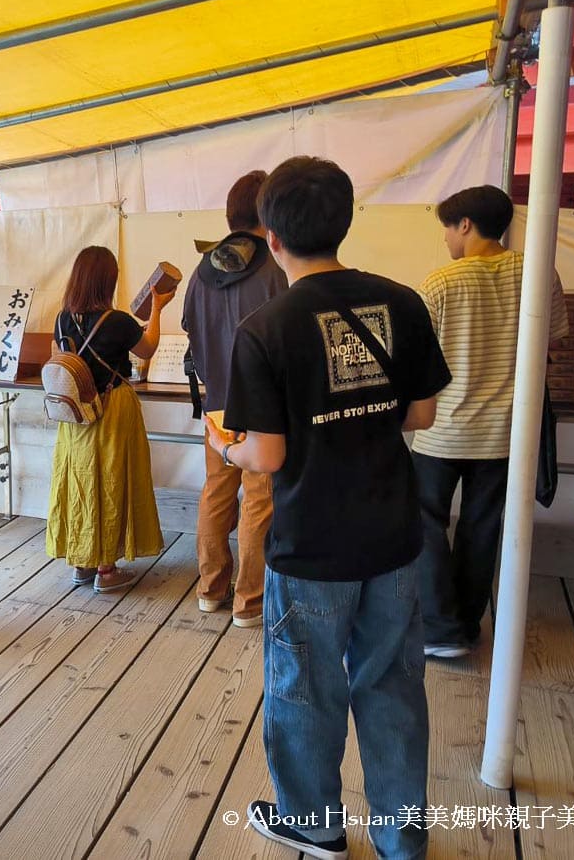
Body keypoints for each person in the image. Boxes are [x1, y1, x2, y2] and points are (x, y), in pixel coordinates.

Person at [206, 157, 450, 860]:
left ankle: (314, 826)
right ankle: (401, 838)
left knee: (305, 691)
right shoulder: (401, 301)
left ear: (272, 237)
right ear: (346, 222)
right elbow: (422, 414)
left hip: (312, 544)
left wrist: (225, 448)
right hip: (395, 535)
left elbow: (269, 456)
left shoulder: (265, 327)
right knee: (394, 688)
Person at [411, 186, 569, 658]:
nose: (445, 238)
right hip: (507, 434)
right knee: (482, 527)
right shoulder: (539, 273)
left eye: (446, 227)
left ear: (464, 224)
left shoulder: (440, 283)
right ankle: (464, 623)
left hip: (444, 429)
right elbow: (551, 343)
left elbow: (419, 363)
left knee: (422, 522)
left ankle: (439, 630)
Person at [182, 170, 287, 627]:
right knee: (259, 499)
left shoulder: (202, 270)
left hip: (216, 403)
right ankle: (249, 602)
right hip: (262, 406)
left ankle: (209, 590)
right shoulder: (275, 267)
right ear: (268, 213)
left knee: (217, 492)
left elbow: (189, 327)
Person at [48, 245, 170, 592]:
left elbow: (59, 359)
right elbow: (147, 348)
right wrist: (158, 308)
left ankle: (82, 563)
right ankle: (107, 570)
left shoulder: (61, 318)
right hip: (112, 409)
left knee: (82, 482)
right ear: (108, 281)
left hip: (75, 415)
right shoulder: (116, 321)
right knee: (112, 479)